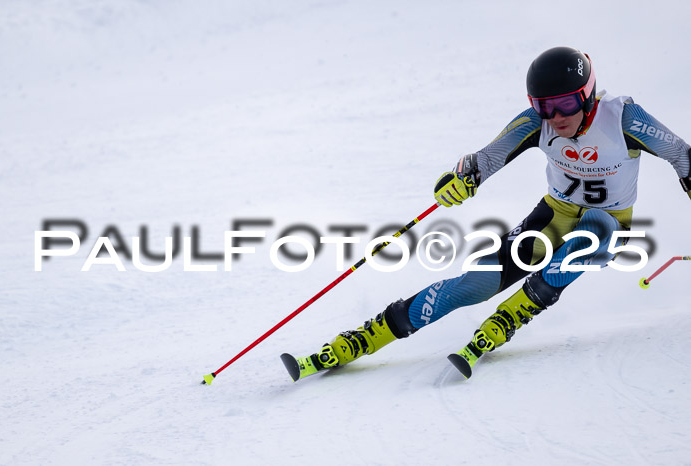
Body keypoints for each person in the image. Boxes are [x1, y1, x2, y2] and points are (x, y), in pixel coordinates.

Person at [283, 46, 691, 381]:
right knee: (475, 284)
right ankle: (363, 338)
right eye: (545, 107)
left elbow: (680, 153)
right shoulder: (539, 123)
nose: (557, 117)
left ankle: (505, 321)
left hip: (609, 222)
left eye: (566, 103)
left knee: (586, 241)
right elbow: (486, 158)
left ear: (587, 94)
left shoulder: (623, 118)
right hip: (553, 214)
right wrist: (460, 179)